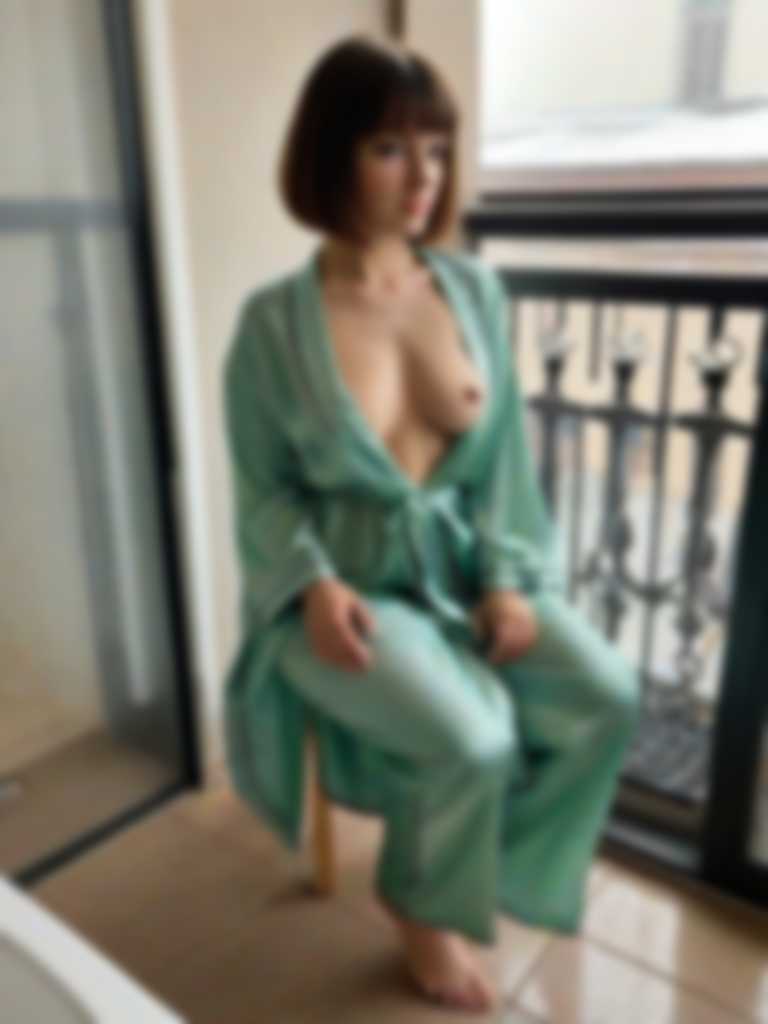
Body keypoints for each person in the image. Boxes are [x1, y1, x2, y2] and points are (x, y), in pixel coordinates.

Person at [221, 33, 642, 1013]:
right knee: (473, 741)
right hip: (344, 587)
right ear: (330, 155)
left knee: (607, 694)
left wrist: (505, 578)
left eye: (439, 150)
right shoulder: (273, 326)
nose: (424, 179)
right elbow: (262, 490)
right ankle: (419, 899)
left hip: (463, 566)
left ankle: (472, 859)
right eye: (389, 149)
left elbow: (501, 464)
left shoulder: (473, 292)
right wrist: (312, 584)